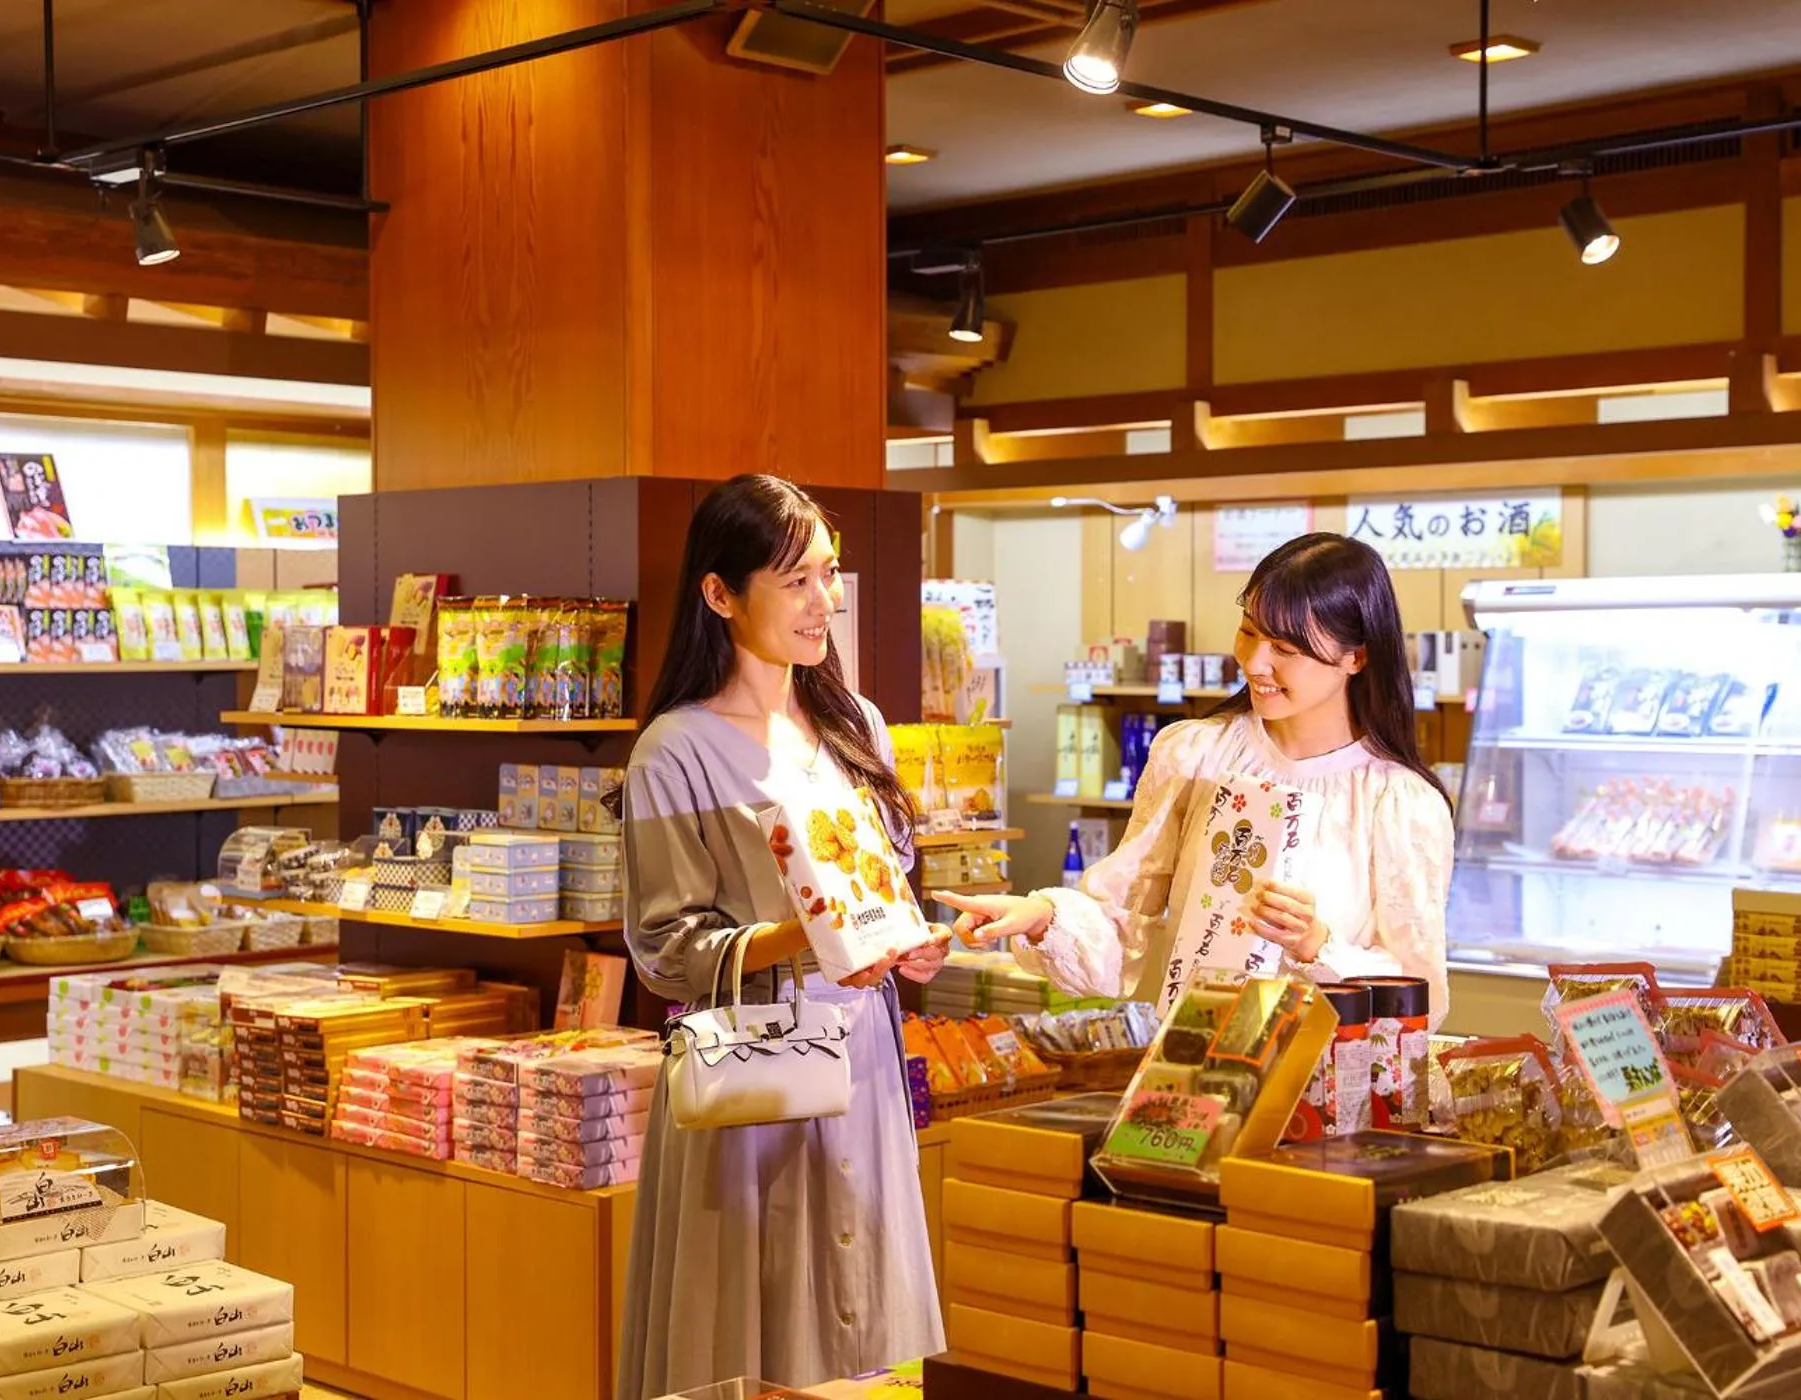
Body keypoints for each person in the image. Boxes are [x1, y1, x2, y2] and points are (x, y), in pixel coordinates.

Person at [615, 474, 948, 1400]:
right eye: (795, 579)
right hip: (755, 1068)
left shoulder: (854, 726)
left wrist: (913, 943)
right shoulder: (675, 750)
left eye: (829, 575)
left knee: (860, 1334)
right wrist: (799, 938)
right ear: (720, 594)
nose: (824, 601)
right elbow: (664, 947)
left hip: (866, 1058)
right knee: (752, 1333)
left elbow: (886, 893)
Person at [940, 532, 1456, 1023]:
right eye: (1250, 632)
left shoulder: (1399, 801)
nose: (1255, 662)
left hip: (1324, 1085)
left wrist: (1315, 945)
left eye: (1286, 649)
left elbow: (1420, 995)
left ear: (1356, 656)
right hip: (1195, 1069)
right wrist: (1038, 916)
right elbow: (1123, 920)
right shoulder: (1195, 755)